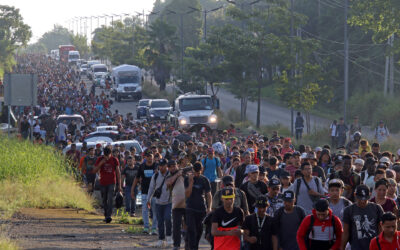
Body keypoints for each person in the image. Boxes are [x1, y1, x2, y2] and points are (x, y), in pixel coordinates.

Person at [341, 184, 384, 250]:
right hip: (356, 246)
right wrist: (342, 247)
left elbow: (381, 229)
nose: (362, 201)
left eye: (365, 199)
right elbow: (346, 232)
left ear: (369, 195)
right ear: (355, 195)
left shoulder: (377, 208)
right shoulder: (349, 210)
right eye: (360, 198)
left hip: (374, 246)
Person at [185, 161, 212, 250]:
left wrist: (209, 207)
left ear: (202, 170)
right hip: (190, 208)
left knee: (199, 231)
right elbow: (187, 194)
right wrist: (191, 182)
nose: (196, 174)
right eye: (195, 172)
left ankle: (192, 246)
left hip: (201, 209)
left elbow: (208, 194)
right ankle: (192, 247)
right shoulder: (187, 179)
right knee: (191, 231)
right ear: (193, 170)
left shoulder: (204, 180)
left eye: (198, 172)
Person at [147, 159, 173, 247]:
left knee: (168, 218)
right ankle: (161, 239)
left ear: (166, 166)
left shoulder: (171, 175)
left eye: (163, 165)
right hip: (158, 202)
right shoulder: (155, 175)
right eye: (160, 165)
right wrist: (148, 199)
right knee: (160, 221)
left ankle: (169, 238)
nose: (161, 167)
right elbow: (151, 188)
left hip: (169, 202)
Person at [93, 147, 122, 223]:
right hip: (102, 183)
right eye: (105, 155)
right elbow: (94, 170)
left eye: (108, 155)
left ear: (111, 154)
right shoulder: (100, 159)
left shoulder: (114, 160)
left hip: (112, 182)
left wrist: (119, 185)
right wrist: (101, 163)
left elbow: (118, 173)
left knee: (110, 199)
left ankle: (109, 215)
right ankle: (106, 215)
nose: (106, 157)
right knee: (104, 200)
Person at [131, 151, 158, 234]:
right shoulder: (142, 166)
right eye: (148, 156)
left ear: (153, 157)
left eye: (151, 156)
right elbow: (137, 178)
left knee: (155, 211)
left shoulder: (156, 166)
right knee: (145, 210)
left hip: (155, 192)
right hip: (144, 191)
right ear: (145, 157)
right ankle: (146, 227)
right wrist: (132, 189)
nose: (150, 158)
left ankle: (154, 228)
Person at [166, 160, 186, 250]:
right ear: (169, 168)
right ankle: (176, 245)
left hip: (187, 203)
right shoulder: (169, 176)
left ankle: (188, 243)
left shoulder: (183, 173)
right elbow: (169, 183)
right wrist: (178, 174)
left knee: (187, 224)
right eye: (171, 166)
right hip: (176, 204)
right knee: (176, 225)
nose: (174, 168)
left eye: (175, 166)